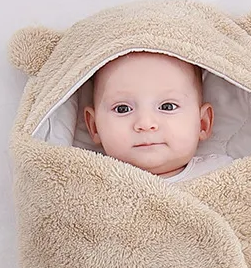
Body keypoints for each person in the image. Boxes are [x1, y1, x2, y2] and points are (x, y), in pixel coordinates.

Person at [83, 51, 233, 183]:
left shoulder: (223, 176)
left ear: (202, 123)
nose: (146, 124)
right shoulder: (88, 182)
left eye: (167, 107)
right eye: (123, 109)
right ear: (95, 127)